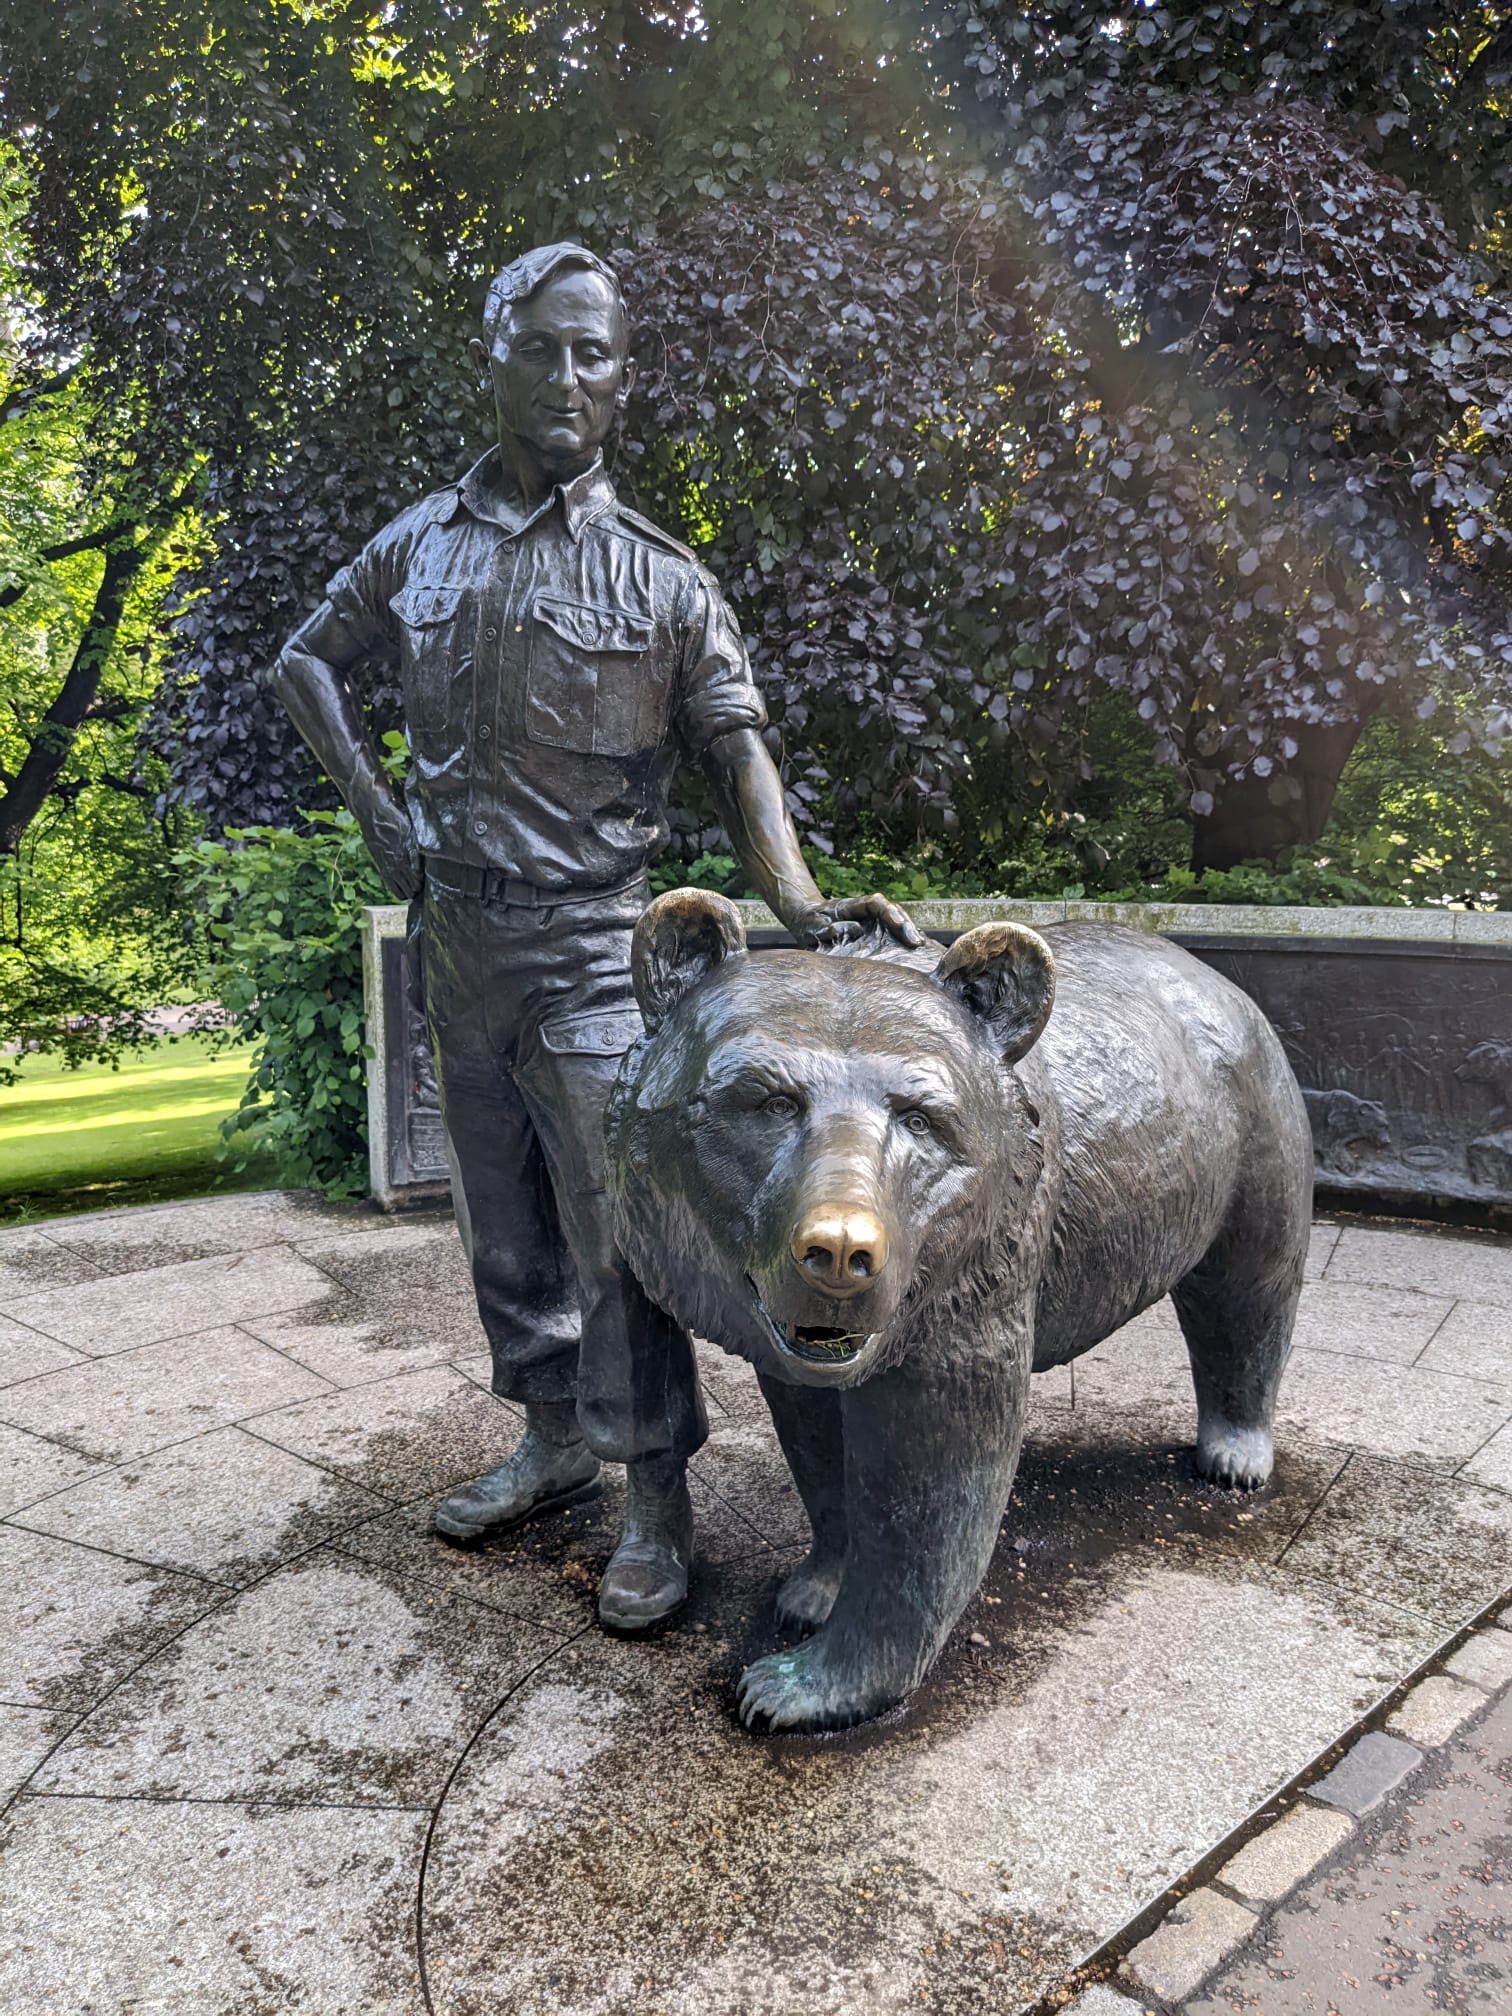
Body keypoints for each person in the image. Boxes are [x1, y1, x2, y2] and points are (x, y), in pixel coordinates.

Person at [269, 242, 919, 1631]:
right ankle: (551, 1439)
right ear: (494, 354)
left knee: (616, 1239)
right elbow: (306, 659)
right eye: (545, 347)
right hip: (462, 944)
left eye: (597, 354)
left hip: (592, 951)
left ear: (620, 379)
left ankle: (653, 1501)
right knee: (499, 1221)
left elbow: (737, 750)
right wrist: (380, 820)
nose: (570, 376)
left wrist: (798, 903)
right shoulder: (419, 544)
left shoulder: (661, 580)